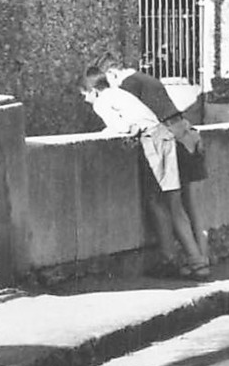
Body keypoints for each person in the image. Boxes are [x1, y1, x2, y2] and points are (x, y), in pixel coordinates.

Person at [81, 57, 210, 281]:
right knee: (175, 204)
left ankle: (174, 260)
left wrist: (104, 133)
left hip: (153, 142)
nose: (85, 100)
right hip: (167, 136)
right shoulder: (121, 93)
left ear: (93, 91)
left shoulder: (103, 101)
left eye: (84, 95)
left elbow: (121, 126)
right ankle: (198, 262)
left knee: (156, 202)